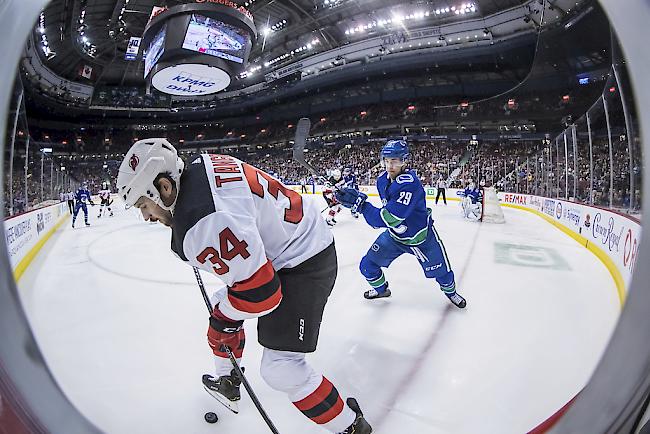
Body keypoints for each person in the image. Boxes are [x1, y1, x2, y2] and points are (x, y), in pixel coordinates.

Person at [116, 138, 371, 434]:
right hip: (293, 236)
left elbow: (262, 294)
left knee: (280, 369)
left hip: (304, 259)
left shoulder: (203, 223)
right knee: (221, 307)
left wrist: (223, 319)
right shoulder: (201, 162)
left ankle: (351, 427)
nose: (146, 216)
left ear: (164, 187)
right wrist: (224, 315)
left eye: (143, 205)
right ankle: (228, 381)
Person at [334, 140, 466, 308]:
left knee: (443, 274)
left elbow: (390, 219)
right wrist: (357, 200)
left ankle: (451, 292)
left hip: (421, 240)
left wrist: (361, 205)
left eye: (395, 160)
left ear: (404, 160)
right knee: (367, 266)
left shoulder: (410, 184)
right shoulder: (382, 181)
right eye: (387, 160)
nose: (390, 165)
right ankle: (381, 289)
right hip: (395, 237)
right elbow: (384, 216)